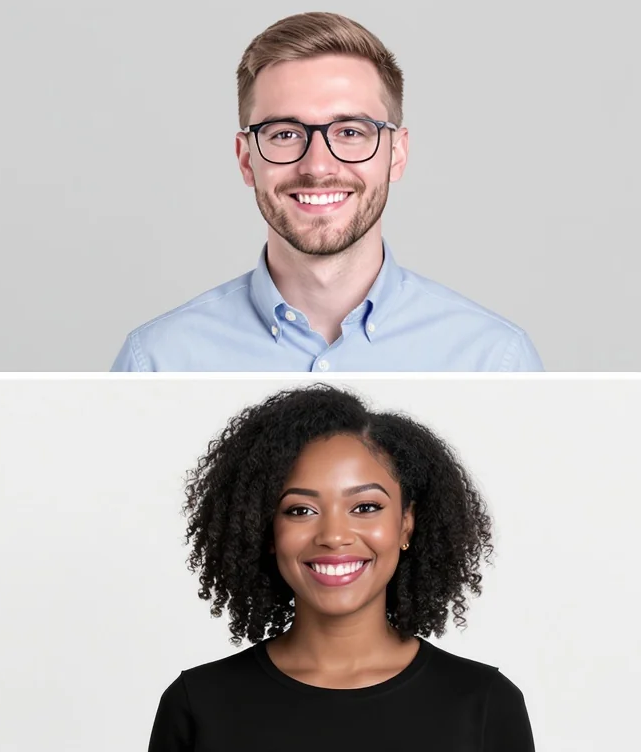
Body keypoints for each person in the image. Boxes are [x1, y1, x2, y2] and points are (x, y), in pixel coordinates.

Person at [112, 12, 541, 372]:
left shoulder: (492, 362)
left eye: (351, 131)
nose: (318, 166)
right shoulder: (157, 362)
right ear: (246, 159)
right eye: (284, 134)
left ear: (397, 154)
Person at [148, 384, 533, 751]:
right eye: (301, 510)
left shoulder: (484, 702)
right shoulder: (198, 704)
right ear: (266, 531)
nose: (334, 535)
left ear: (406, 524)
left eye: (365, 507)